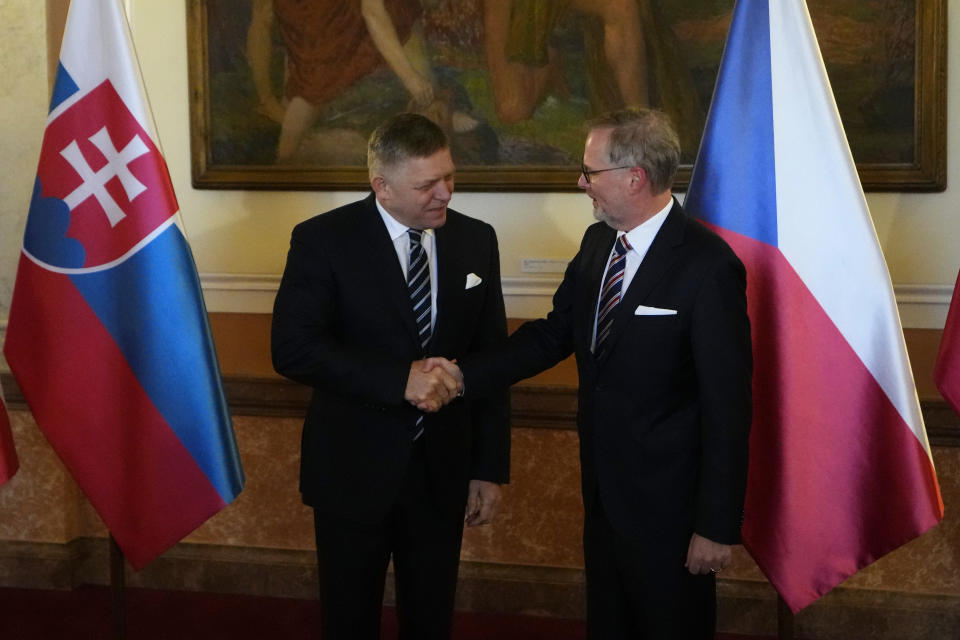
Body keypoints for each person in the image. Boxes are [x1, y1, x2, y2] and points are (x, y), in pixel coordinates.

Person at [447, 107, 752, 637]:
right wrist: (460, 375)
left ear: (634, 177)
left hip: (673, 516)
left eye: (590, 172)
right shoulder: (597, 246)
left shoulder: (707, 265)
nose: (581, 182)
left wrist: (716, 527)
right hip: (604, 500)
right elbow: (552, 335)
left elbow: (729, 407)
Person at [271, 113, 510, 639]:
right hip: (352, 472)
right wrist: (396, 379)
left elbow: (490, 360)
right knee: (350, 618)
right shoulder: (323, 240)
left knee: (430, 619)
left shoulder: (477, 241)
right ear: (381, 185)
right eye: (427, 184)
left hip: (443, 472)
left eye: (449, 177)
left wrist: (488, 467)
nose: (445, 193)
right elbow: (292, 349)